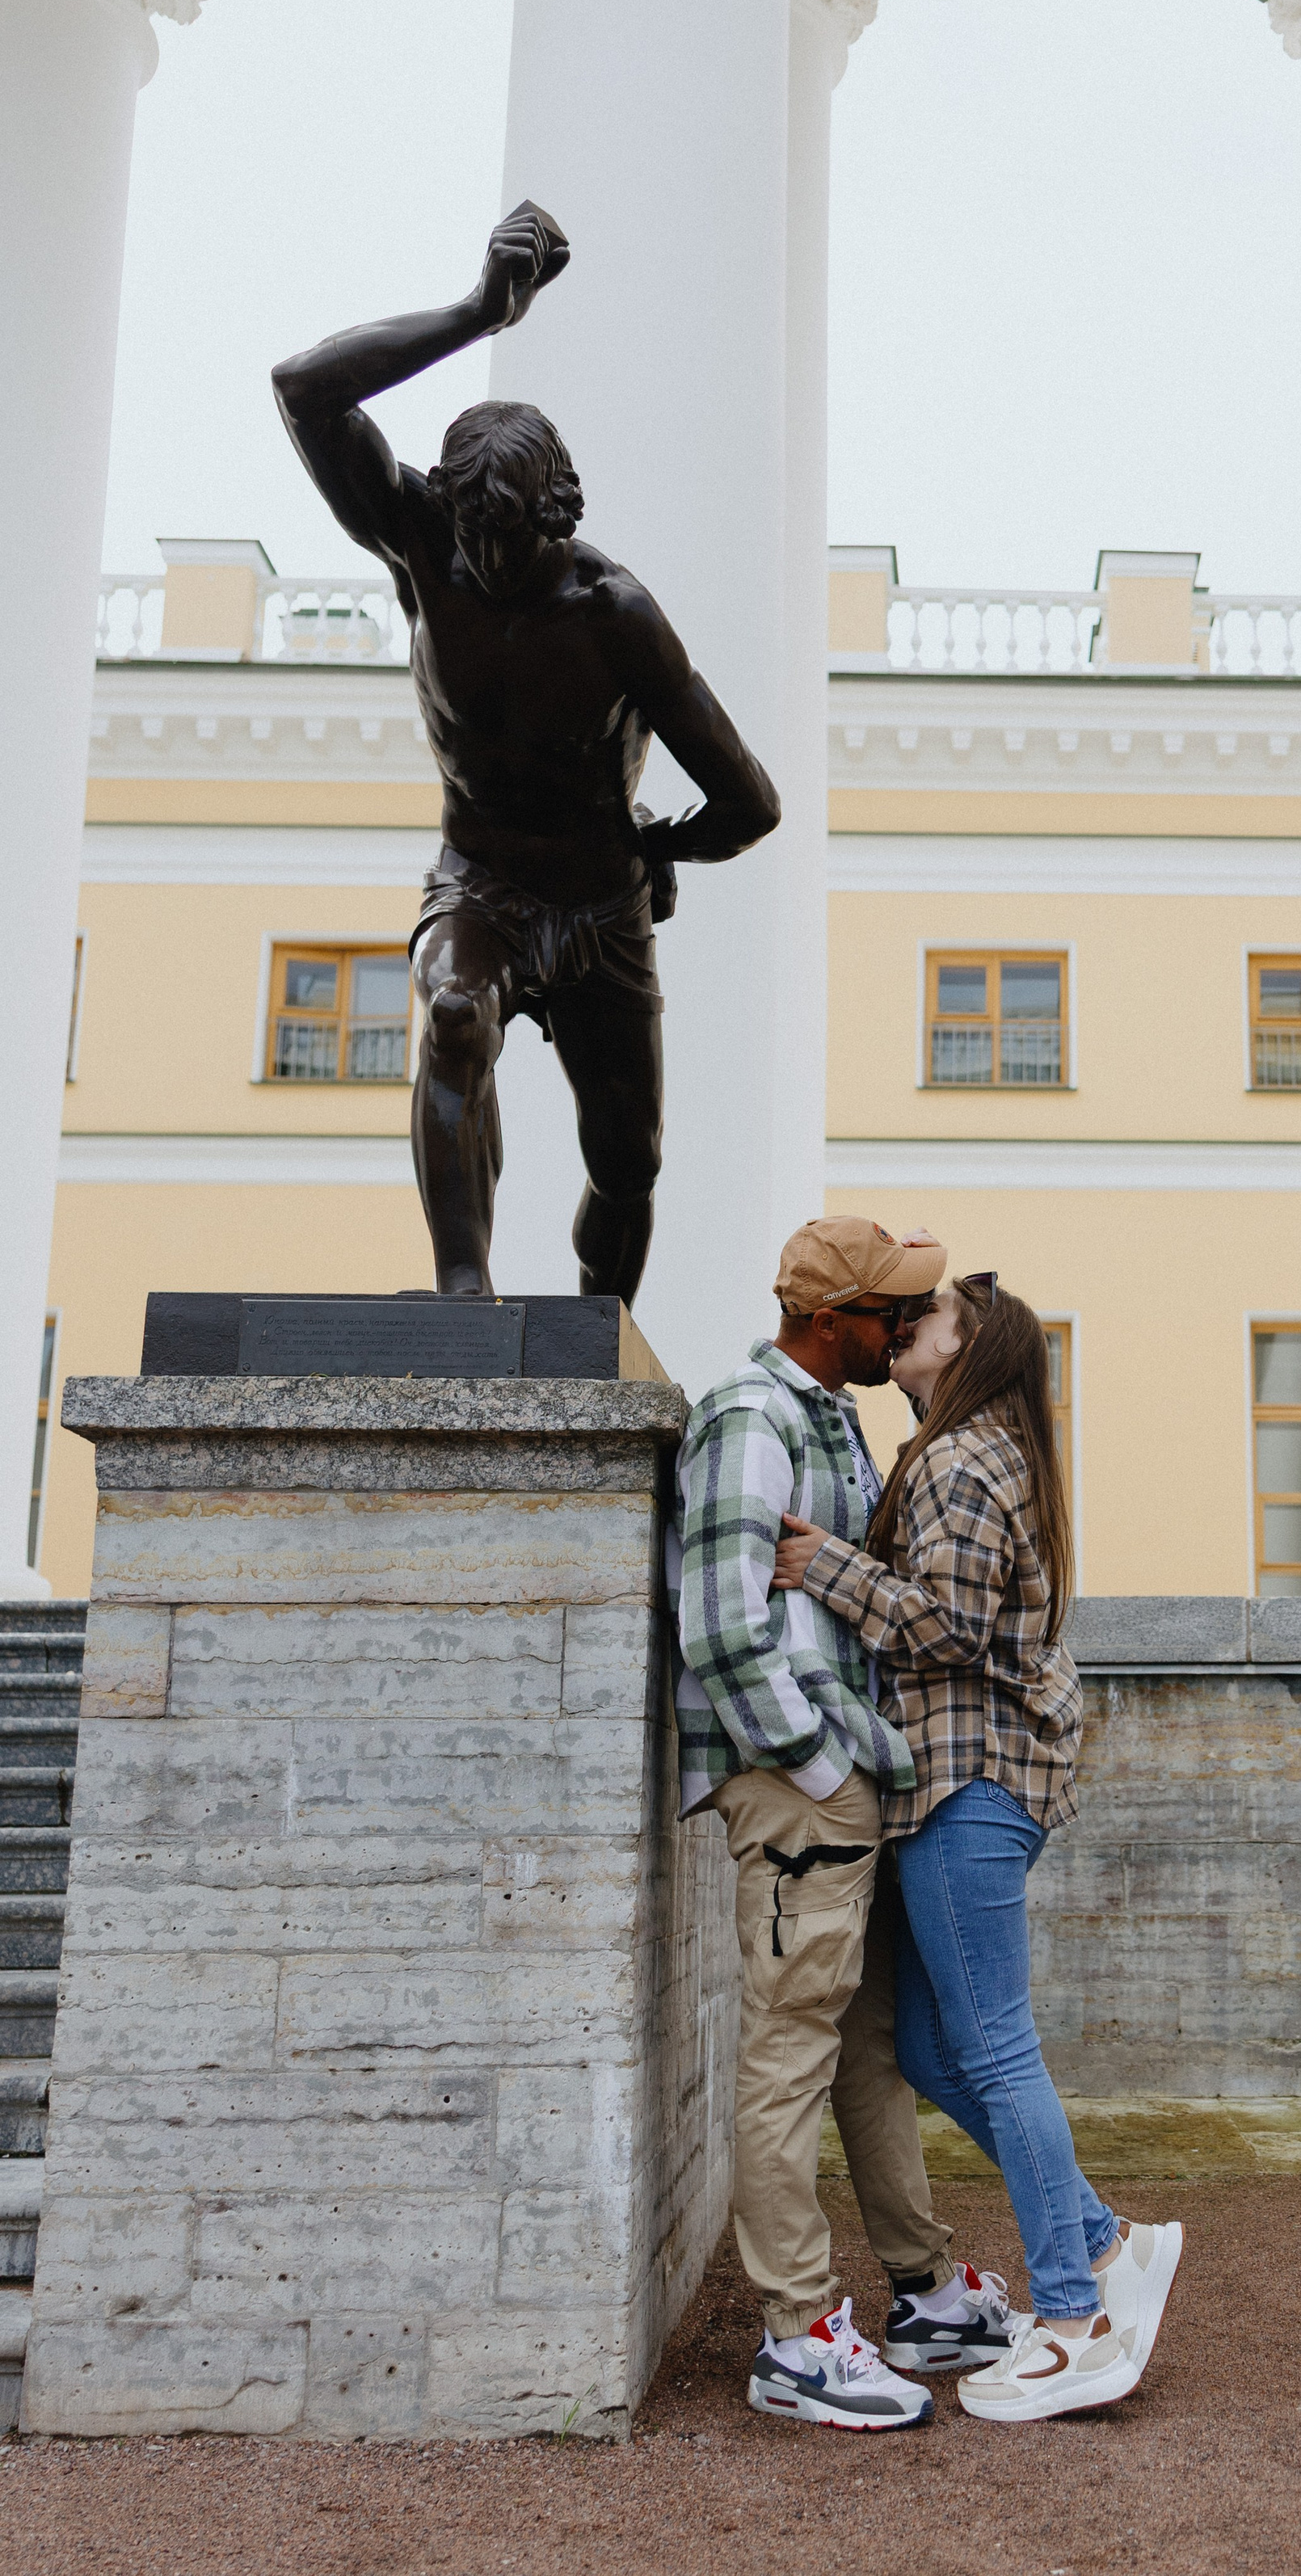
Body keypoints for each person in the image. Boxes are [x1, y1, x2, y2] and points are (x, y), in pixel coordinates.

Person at [272, 201, 782, 1300]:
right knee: (454, 1017)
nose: (487, 558)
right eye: (473, 532)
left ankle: (597, 1340)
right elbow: (304, 386)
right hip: (482, 879)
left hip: (600, 901)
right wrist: (477, 311)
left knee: (629, 1160)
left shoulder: (615, 614)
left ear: (553, 521)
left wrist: (661, 849)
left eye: (511, 538)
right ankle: (465, 1292)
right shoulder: (422, 536)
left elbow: (752, 802)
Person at [772, 1272, 1184, 2424]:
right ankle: (1106, 2244)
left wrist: (826, 1567)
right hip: (960, 1785)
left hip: (969, 1783)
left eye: (928, 1321)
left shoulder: (963, 1461)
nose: (906, 1331)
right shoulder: (981, 1451)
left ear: (971, 1349)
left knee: (994, 2052)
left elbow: (948, 1625)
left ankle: (1073, 2319)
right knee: (933, 2050)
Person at [672, 1217, 1022, 2432]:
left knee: (867, 2050)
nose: (903, 1330)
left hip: (847, 1782)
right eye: (891, 1313)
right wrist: (821, 1767)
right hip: (801, 1784)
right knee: (792, 2052)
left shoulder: (831, 1421)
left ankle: (921, 2291)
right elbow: (720, 1626)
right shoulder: (749, 1418)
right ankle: (797, 2337)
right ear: (833, 1324)